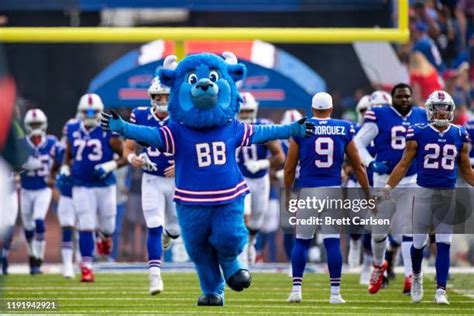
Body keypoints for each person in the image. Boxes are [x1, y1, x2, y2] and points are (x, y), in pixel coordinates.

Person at [378, 90, 474, 304]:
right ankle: (418, 277)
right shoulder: (418, 131)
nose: (441, 113)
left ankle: (441, 290)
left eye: (445, 109)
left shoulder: (459, 134)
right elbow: (403, 165)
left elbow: (466, 170)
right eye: (437, 109)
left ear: (450, 111)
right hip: (423, 193)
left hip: (448, 194)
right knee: (419, 243)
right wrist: (387, 187)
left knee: (444, 243)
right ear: (430, 110)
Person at [285, 92, 370, 304]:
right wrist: (369, 194)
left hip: (308, 191)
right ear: (331, 109)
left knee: (302, 241)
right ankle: (335, 294)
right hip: (332, 190)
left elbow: (289, 168)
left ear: (312, 109)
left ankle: (296, 290)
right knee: (332, 242)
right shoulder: (343, 127)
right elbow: (358, 166)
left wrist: (288, 194)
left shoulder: (301, 127)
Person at [354, 83, 428, 295]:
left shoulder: (422, 115)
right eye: (400, 96)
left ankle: (409, 276)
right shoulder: (379, 114)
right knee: (379, 233)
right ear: (392, 98)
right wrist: (370, 163)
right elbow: (358, 143)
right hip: (383, 181)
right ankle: (379, 266)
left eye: (407, 96)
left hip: (411, 179)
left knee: (408, 229)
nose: (404, 99)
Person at [123, 78, 180, 294]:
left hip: (177, 181)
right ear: (152, 98)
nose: (163, 101)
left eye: (166, 97)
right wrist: (133, 160)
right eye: (159, 97)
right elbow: (128, 149)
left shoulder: (183, 117)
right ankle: (155, 276)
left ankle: (170, 236)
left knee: (174, 229)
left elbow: (194, 149)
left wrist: (181, 164)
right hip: (151, 179)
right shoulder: (140, 115)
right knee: (154, 225)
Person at [62, 93, 126, 282]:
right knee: (86, 225)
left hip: (105, 185)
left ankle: (104, 237)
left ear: (100, 112)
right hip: (81, 185)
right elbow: (68, 151)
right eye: (86, 112)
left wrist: (110, 165)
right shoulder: (72, 127)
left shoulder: (108, 129)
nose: (90, 115)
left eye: (94, 112)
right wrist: (65, 166)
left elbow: (126, 155)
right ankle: (87, 267)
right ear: (80, 112)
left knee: (108, 226)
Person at [236, 92, 285, 264]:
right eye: (242, 111)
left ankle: (251, 244)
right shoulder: (230, 128)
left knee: (257, 220)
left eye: (248, 111)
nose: (245, 116)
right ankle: (241, 255)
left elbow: (280, 156)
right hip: (239, 179)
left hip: (260, 180)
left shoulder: (262, 127)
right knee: (243, 214)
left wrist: (263, 163)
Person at [19, 109, 60, 274]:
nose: (35, 127)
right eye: (33, 124)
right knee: (28, 227)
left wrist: (54, 175)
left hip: (43, 189)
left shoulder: (51, 143)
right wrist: (21, 166)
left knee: (38, 221)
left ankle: (39, 258)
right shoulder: (21, 143)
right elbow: (11, 165)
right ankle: (32, 255)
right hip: (26, 189)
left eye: (38, 124)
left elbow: (61, 159)